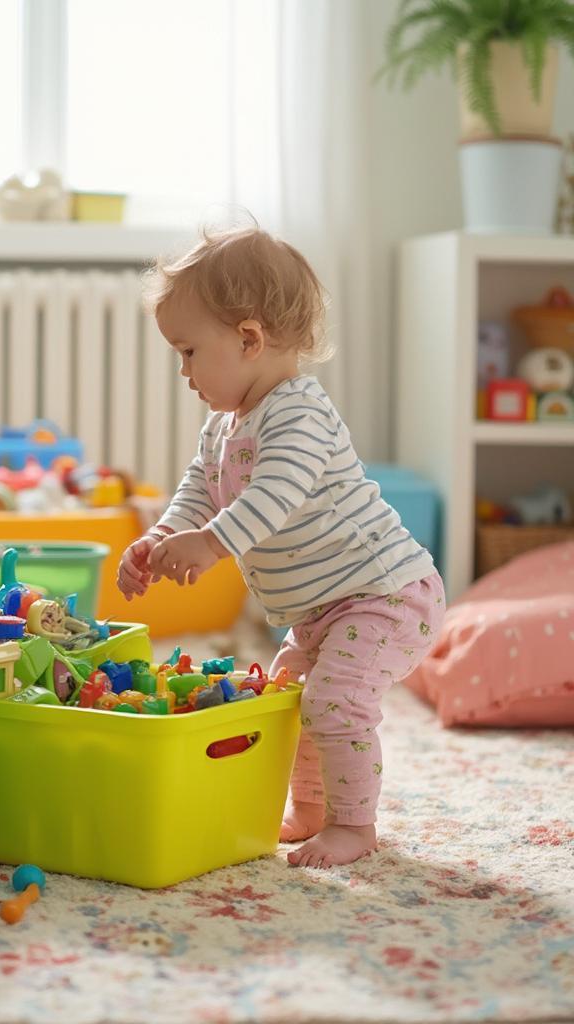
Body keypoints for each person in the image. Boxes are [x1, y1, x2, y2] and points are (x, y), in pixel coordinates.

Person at [118, 226, 444, 868]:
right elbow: (198, 492)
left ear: (249, 338)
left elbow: (277, 493)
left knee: (335, 703)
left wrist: (211, 547)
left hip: (386, 593)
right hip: (322, 609)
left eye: (188, 352)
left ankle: (355, 824)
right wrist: (160, 538)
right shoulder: (223, 427)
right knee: (289, 701)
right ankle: (313, 810)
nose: (184, 373)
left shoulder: (300, 412)